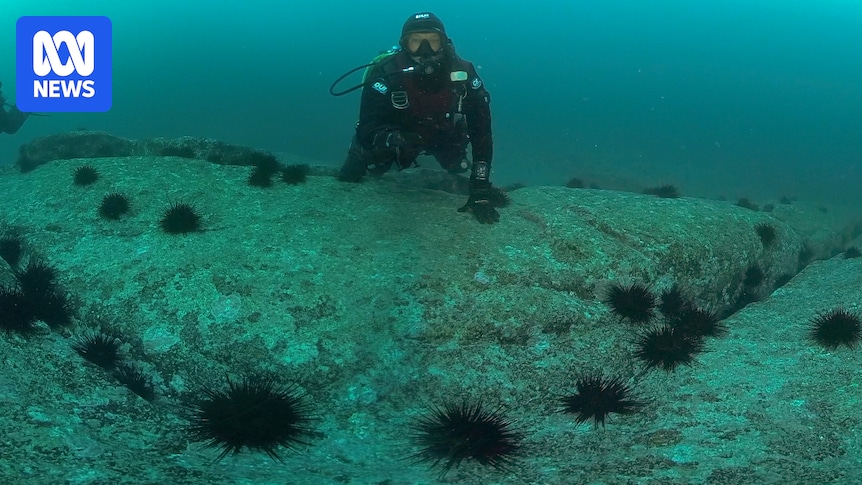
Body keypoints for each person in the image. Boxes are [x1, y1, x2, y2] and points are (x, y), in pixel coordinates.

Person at [338, 12, 500, 224]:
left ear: (444, 43)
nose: (425, 50)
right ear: (404, 45)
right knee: (365, 168)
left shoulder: (463, 73)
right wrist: (390, 139)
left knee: (458, 167)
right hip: (399, 134)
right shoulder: (385, 73)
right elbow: (369, 124)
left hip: (442, 133)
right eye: (416, 42)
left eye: (433, 41)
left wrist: (480, 184)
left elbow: (481, 129)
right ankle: (361, 152)